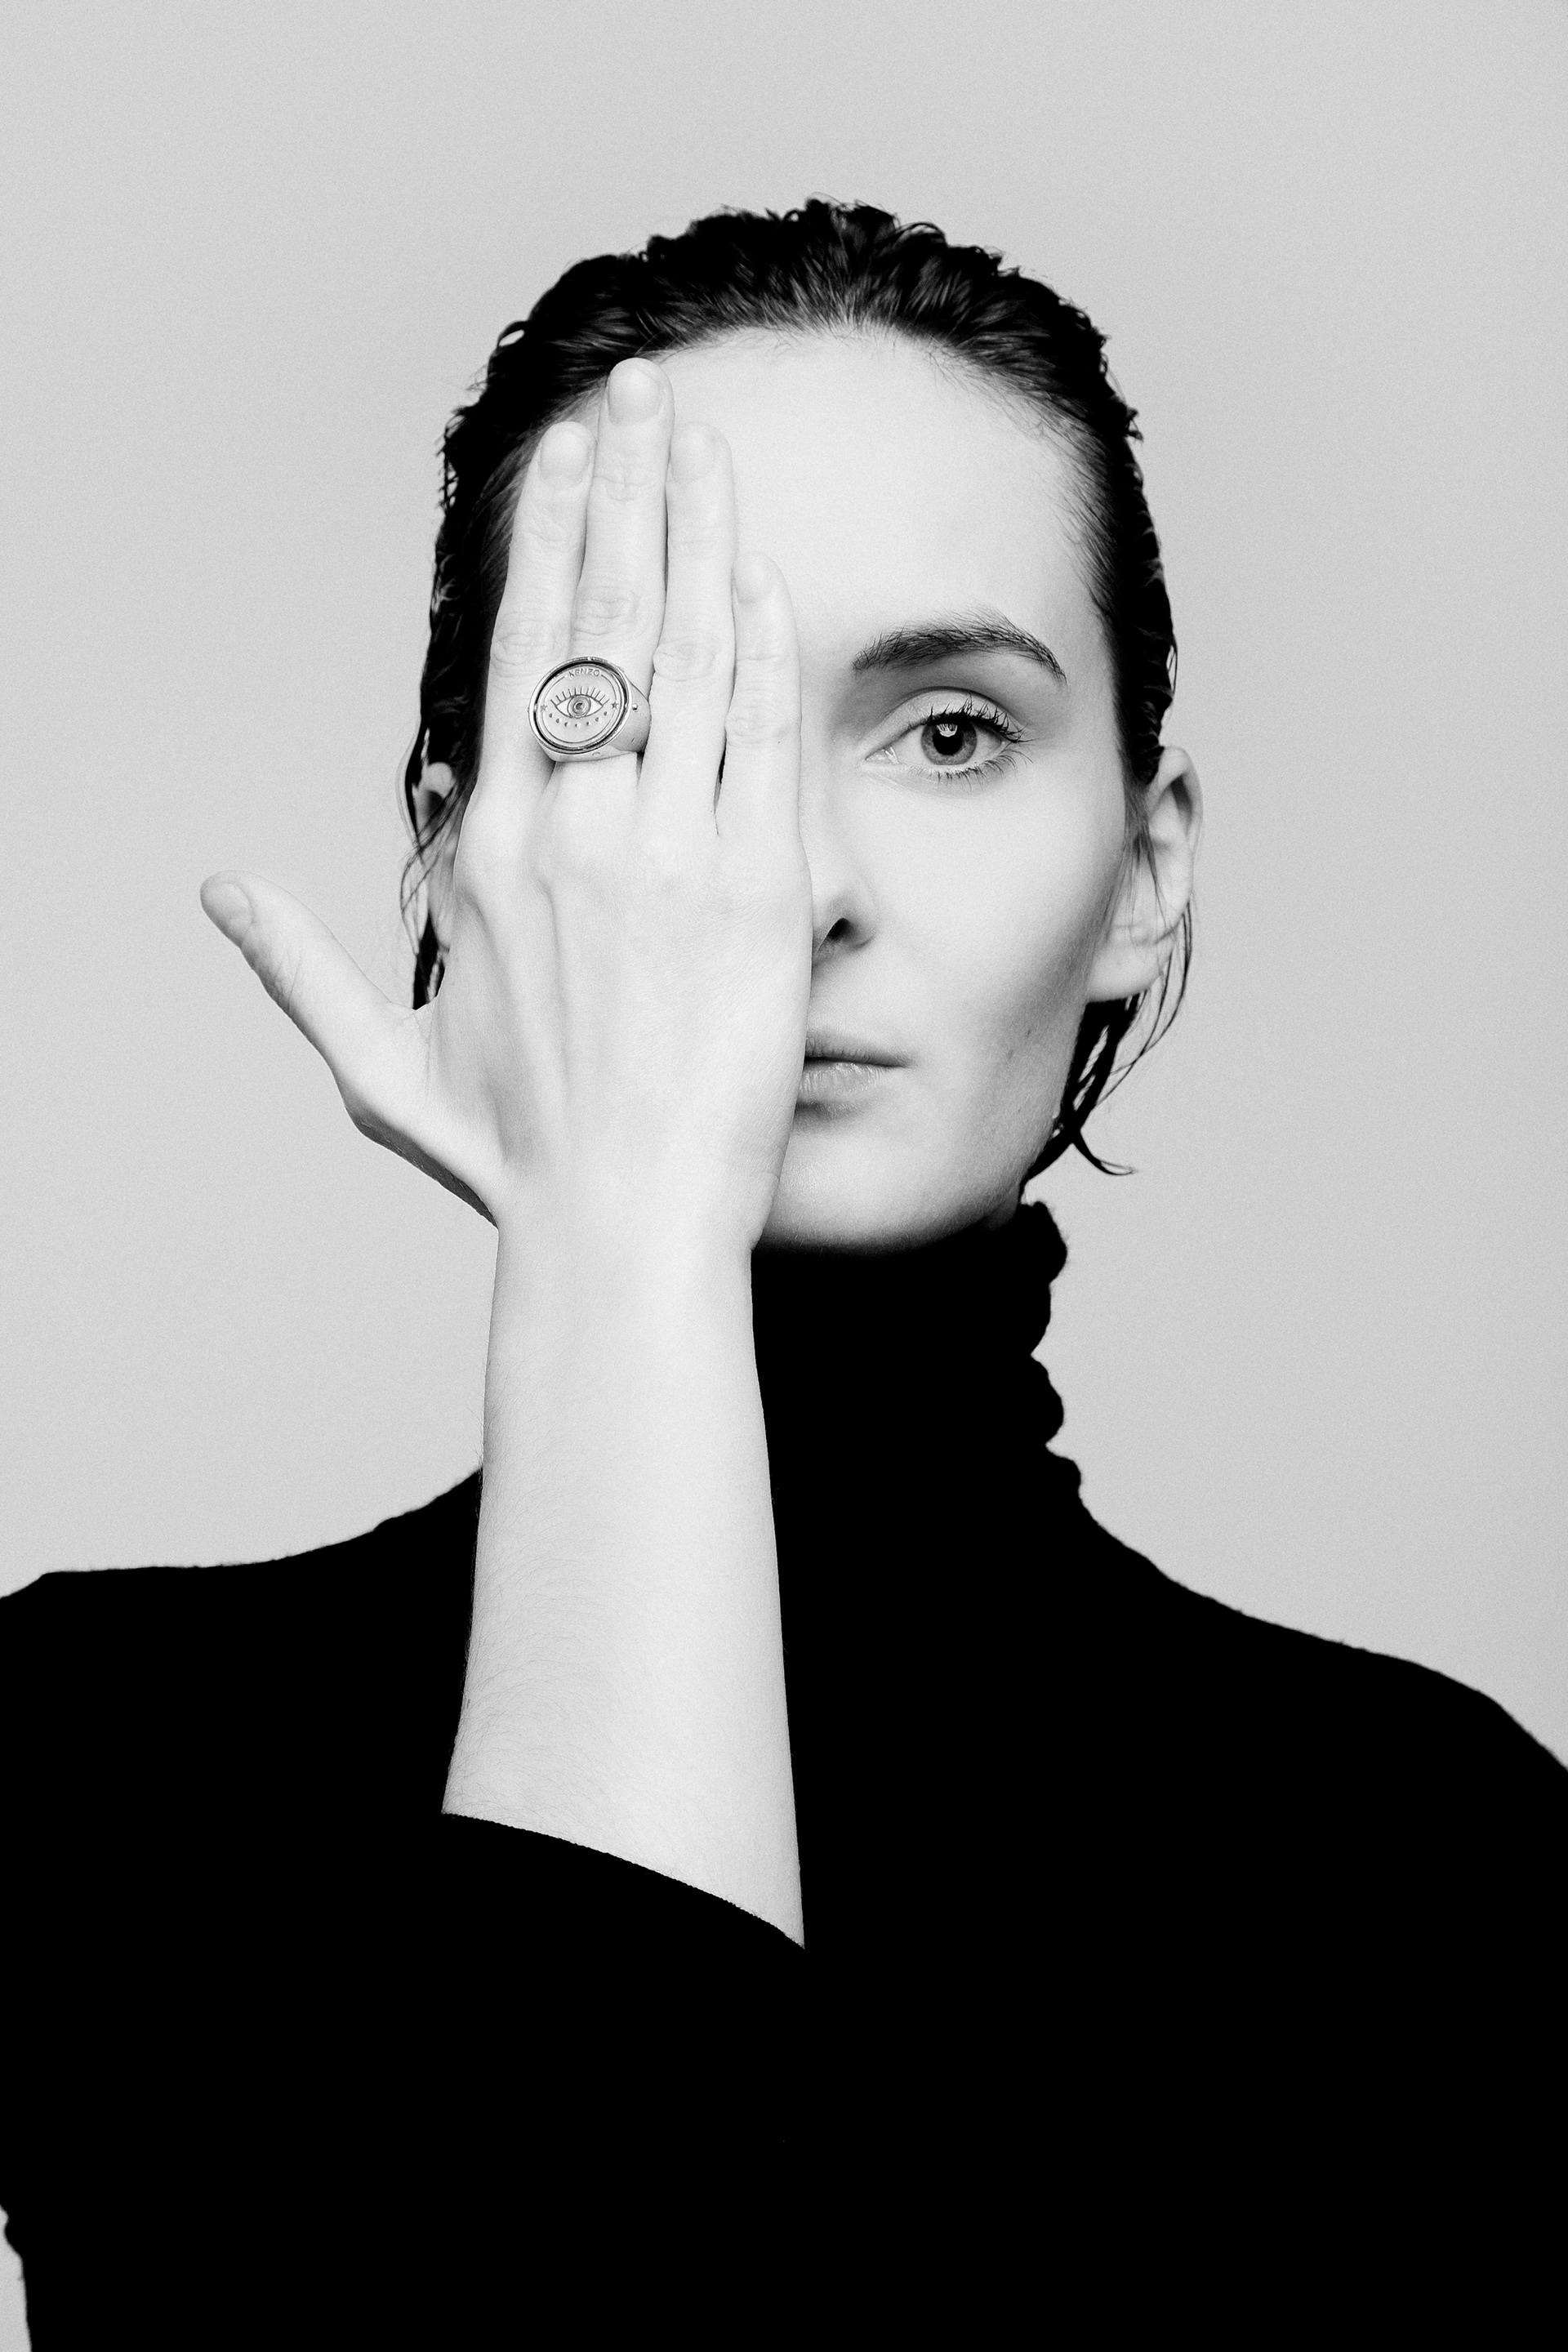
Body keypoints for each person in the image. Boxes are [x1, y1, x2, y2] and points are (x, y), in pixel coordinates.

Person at [3, 200, 1563, 2344]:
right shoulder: (106, 1768)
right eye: (642, 735)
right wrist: (624, 1260)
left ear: (1146, 865)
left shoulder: (1439, 1867)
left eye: (951, 732)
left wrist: (618, 1237)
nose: (790, 883)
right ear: (460, 857)